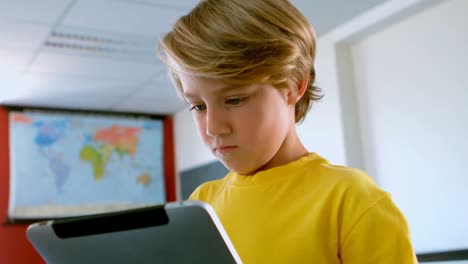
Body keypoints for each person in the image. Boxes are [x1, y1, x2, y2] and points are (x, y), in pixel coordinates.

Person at [158, 0, 417, 263]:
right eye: (198, 106)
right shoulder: (200, 205)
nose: (213, 127)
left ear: (293, 86)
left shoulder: (351, 200)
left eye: (234, 100)